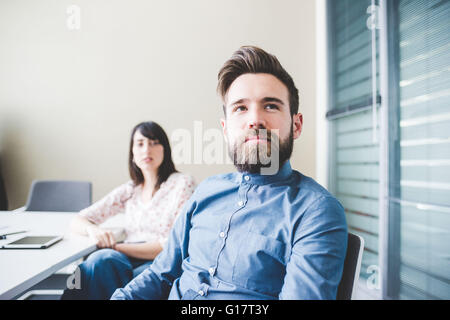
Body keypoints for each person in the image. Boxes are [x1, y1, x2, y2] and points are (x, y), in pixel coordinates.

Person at [111, 46, 347, 300]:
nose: (255, 120)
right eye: (240, 108)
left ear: (296, 124)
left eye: (270, 106)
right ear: (225, 129)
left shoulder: (315, 211)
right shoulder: (207, 190)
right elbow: (161, 274)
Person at [62, 121, 196, 300]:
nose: (147, 149)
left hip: (163, 261)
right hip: (128, 256)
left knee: (107, 262)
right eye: (140, 144)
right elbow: (78, 220)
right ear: (132, 153)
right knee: (98, 261)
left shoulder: (182, 183)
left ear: (165, 149)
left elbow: (171, 245)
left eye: (154, 142)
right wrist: (93, 229)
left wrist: (116, 247)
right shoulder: (131, 189)